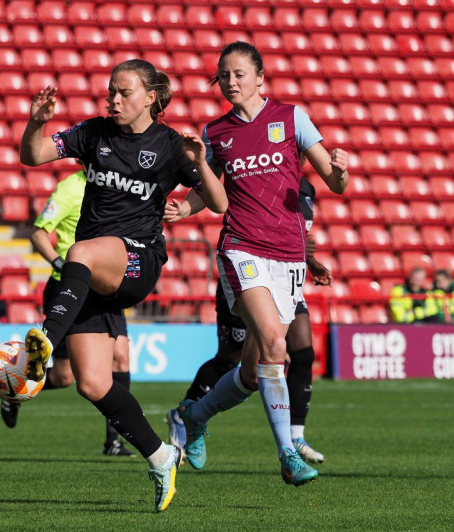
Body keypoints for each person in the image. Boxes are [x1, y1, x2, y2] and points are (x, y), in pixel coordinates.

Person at [19, 59, 228, 512]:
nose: (114, 99)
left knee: (80, 252)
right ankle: (161, 456)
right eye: (111, 91)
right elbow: (32, 155)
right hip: (94, 273)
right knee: (93, 384)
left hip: (138, 259)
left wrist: (199, 164)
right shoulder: (94, 132)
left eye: (124, 92)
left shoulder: (172, 145)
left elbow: (218, 202)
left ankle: (39, 350)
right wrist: (36, 122)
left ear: (151, 98)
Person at [166, 41, 348, 487]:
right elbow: (208, 191)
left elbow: (335, 181)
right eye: (224, 75)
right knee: (273, 341)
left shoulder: (291, 118)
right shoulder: (215, 132)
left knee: (252, 371)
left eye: (240, 74)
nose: (231, 82)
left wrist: (341, 170)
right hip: (241, 247)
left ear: (260, 77)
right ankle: (288, 453)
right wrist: (183, 209)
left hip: (287, 254)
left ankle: (193, 416)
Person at [165, 176, 328, 464]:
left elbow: (298, 233)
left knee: (302, 352)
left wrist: (311, 262)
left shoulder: (306, 188)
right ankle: (186, 412)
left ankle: (294, 437)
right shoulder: (257, 172)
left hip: (287, 275)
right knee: (231, 360)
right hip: (250, 274)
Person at [0, 166, 135, 457]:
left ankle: (114, 441)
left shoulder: (115, 183)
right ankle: (13, 391)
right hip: (69, 287)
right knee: (63, 377)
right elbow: (38, 234)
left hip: (102, 288)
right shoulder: (69, 189)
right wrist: (61, 264)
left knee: (121, 356)